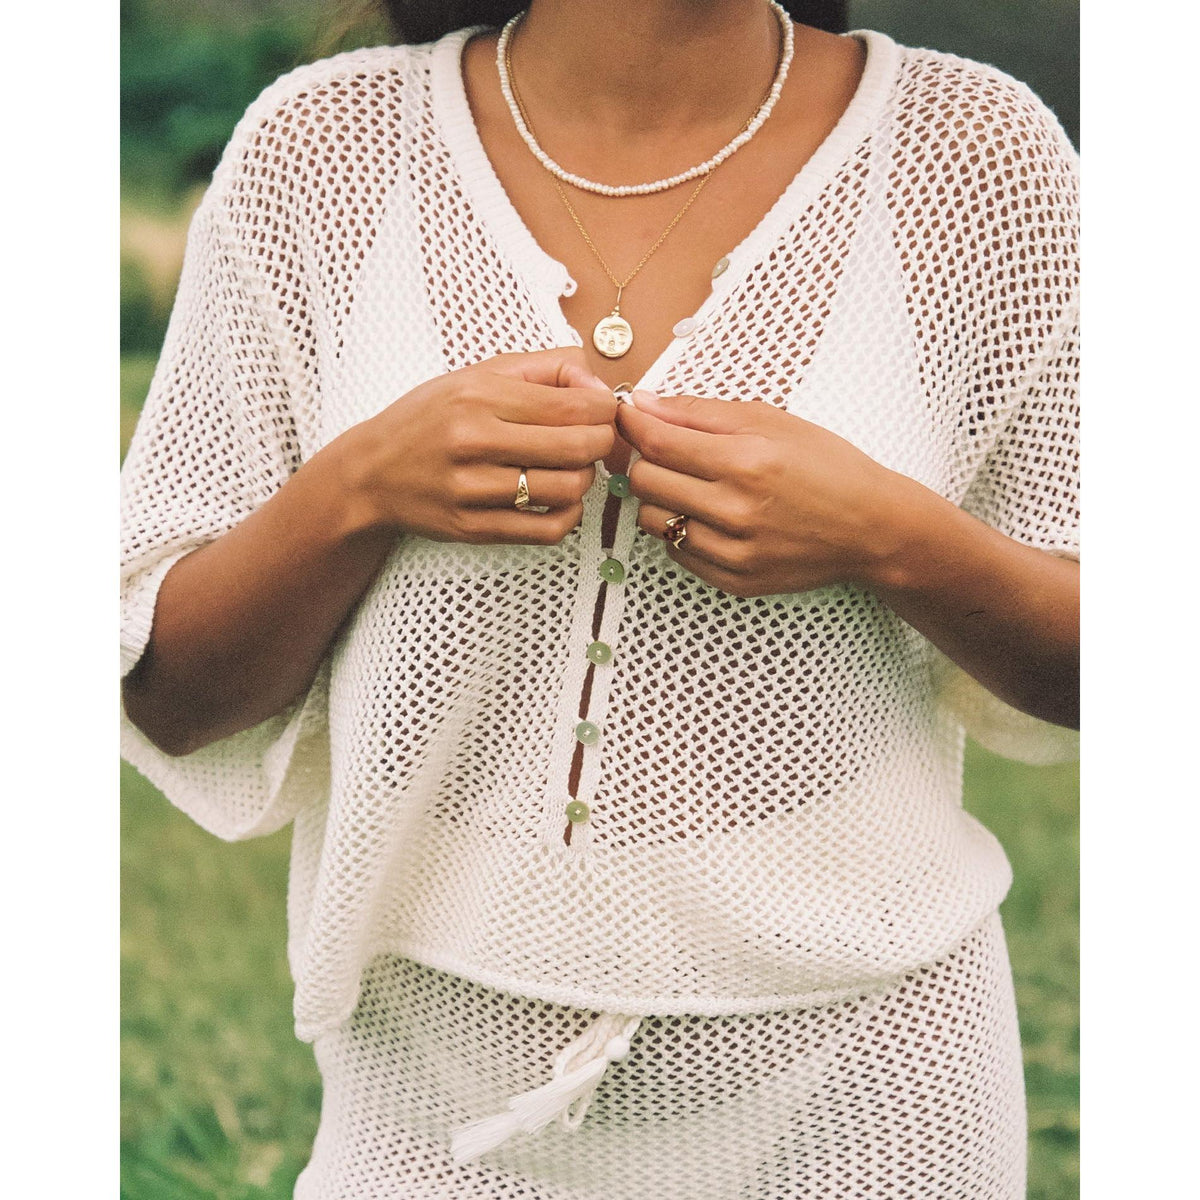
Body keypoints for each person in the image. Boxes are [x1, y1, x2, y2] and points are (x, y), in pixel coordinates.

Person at [120, 1, 1079, 1196]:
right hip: (429, 1093)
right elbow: (168, 694)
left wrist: (891, 537)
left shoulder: (979, 156)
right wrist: (359, 487)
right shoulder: (318, 153)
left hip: (872, 1093)